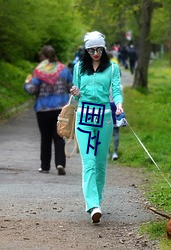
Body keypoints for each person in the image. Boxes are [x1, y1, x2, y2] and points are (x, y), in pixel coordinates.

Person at [70, 31, 123, 223]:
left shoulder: (112, 68)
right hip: (83, 118)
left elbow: (116, 90)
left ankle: (97, 201)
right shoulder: (78, 68)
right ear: (86, 50)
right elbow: (76, 97)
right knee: (89, 162)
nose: (95, 53)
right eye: (91, 50)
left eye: (99, 49)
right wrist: (75, 92)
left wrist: (119, 104)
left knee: (100, 163)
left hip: (105, 119)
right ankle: (92, 205)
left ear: (104, 48)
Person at [24, 45, 73, 175]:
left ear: (43, 57)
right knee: (59, 137)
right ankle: (60, 163)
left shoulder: (39, 71)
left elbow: (32, 90)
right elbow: (71, 87)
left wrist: (27, 83)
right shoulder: (64, 70)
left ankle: (45, 166)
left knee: (45, 138)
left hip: (43, 109)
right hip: (60, 109)